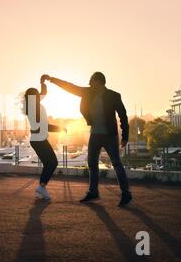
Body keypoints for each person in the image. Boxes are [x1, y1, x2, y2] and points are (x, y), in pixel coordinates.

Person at [41, 72, 132, 206]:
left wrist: (125, 136)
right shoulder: (88, 93)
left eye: (92, 81)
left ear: (100, 82)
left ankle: (126, 194)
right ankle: (93, 192)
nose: (89, 84)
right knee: (92, 163)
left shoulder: (113, 96)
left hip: (110, 135)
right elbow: (70, 87)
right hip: (95, 134)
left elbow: (123, 116)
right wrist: (52, 79)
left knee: (117, 163)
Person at [24, 80, 66, 201]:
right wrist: (60, 128)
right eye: (37, 94)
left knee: (48, 163)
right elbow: (45, 125)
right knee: (53, 163)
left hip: (37, 139)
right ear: (34, 97)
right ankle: (42, 187)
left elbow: (43, 93)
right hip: (39, 140)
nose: (39, 95)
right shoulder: (35, 109)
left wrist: (43, 83)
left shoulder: (31, 106)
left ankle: (40, 189)